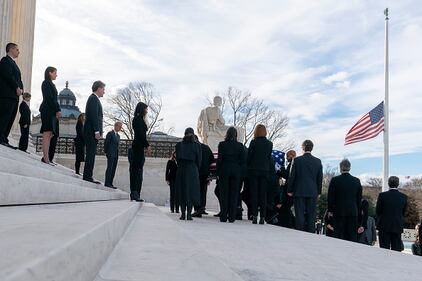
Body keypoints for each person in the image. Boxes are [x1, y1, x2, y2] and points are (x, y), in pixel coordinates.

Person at [287, 140, 322, 233]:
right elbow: (320, 179)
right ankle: (311, 233)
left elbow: (291, 176)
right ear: (312, 148)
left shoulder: (297, 160)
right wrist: (319, 192)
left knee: (299, 214)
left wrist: (289, 189)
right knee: (311, 215)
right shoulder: (318, 162)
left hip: (299, 191)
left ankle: (300, 233)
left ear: (302, 148)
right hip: (312, 192)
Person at [327, 159, 362, 242]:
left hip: (338, 211)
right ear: (350, 168)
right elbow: (359, 199)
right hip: (353, 212)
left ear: (340, 168)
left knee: (338, 236)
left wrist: (330, 210)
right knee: (351, 237)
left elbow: (330, 197)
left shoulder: (335, 180)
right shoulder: (356, 181)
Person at [216, 127, 244, 223]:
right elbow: (243, 161)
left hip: (224, 171)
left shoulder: (222, 144)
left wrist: (218, 172)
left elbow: (219, 160)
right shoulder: (240, 146)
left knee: (224, 194)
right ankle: (232, 217)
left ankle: (223, 216)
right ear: (236, 135)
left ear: (227, 134)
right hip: (236, 171)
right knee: (234, 194)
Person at [247, 124, 273, 225]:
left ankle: (254, 216)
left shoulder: (253, 142)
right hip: (265, 171)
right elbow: (268, 157)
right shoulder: (270, 144)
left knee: (254, 194)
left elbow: (249, 157)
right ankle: (262, 217)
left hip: (254, 170)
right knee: (263, 195)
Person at [175, 127, 201, 220]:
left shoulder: (179, 145)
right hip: (192, 169)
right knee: (191, 191)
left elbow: (177, 159)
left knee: (182, 191)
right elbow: (199, 161)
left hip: (182, 168)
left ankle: (182, 214)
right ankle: (189, 214)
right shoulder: (197, 146)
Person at [0, 43, 23, 148]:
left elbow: (19, 79)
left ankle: (4, 138)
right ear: (11, 49)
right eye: (17, 49)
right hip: (7, 95)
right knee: (4, 117)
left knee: (10, 118)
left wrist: (21, 89)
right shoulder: (5, 61)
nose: (19, 52)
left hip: (15, 97)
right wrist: (16, 87)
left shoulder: (14, 64)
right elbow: (8, 76)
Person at [376, 176, 408, 251]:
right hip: (397, 226)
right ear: (398, 184)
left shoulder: (382, 195)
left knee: (384, 250)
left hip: (384, 226)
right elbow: (403, 213)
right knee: (396, 250)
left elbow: (378, 211)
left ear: (388, 184)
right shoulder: (403, 197)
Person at [83, 81, 105, 183]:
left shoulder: (94, 99)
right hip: (91, 132)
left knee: (91, 154)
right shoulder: (93, 99)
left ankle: (88, 175)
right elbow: (94, 117)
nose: (104, 92)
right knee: (90, 154)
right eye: (103, 89)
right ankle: (87, 176)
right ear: (99, 88)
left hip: (92, 132)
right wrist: (97, 131)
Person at [39, 66, 61, 165]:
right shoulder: (46, 83)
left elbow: (54, 99)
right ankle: (46, 158)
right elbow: (49, 98)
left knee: (50, 134)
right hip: (47, 111)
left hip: (51, 111)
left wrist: (57, 110)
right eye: (55, 73)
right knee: (47, 134)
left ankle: (47, 158)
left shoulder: (52, 84)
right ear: (50, 73)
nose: (56, 75)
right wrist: (57, 109)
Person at [130, 102, 151, 201]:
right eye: (146, 109)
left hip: (139, 147)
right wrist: (147, 145)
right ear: (142, 109)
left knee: (138, 171)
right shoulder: (137, 120)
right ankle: (134, 193)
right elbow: (140, 135)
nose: (146, 111)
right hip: (137, 147)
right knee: (136, 171)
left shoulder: (140, 119)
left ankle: (136, 193)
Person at [192, 135, 215, 217]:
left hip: (196, 172)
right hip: (205, 173)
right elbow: (212, 160)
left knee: (196, 191)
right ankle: (202, 208)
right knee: (203, 191)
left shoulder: (194, 147)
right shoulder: (206, 147)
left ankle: (198, 209)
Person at [276, 150, 296, 228]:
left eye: (287, 156)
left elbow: (287, 175)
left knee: (286, 208)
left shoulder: (292, 164)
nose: (286, 158)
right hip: (290, 190)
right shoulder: (293, 164)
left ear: (291, 155)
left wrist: (279, 170)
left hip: (289, 190)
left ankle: (288, 224)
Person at [104, 121, 122, 188]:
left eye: (121, 127)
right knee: (109, 168)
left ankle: (111, 183)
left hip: (116, 155)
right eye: (119, 126)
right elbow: (106, 143)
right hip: (110, 153)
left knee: (113, 169)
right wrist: (106, 152)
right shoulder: (110, 133)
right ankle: (107, 183)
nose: (120, 128)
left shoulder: (118, 136)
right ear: (115, 126)